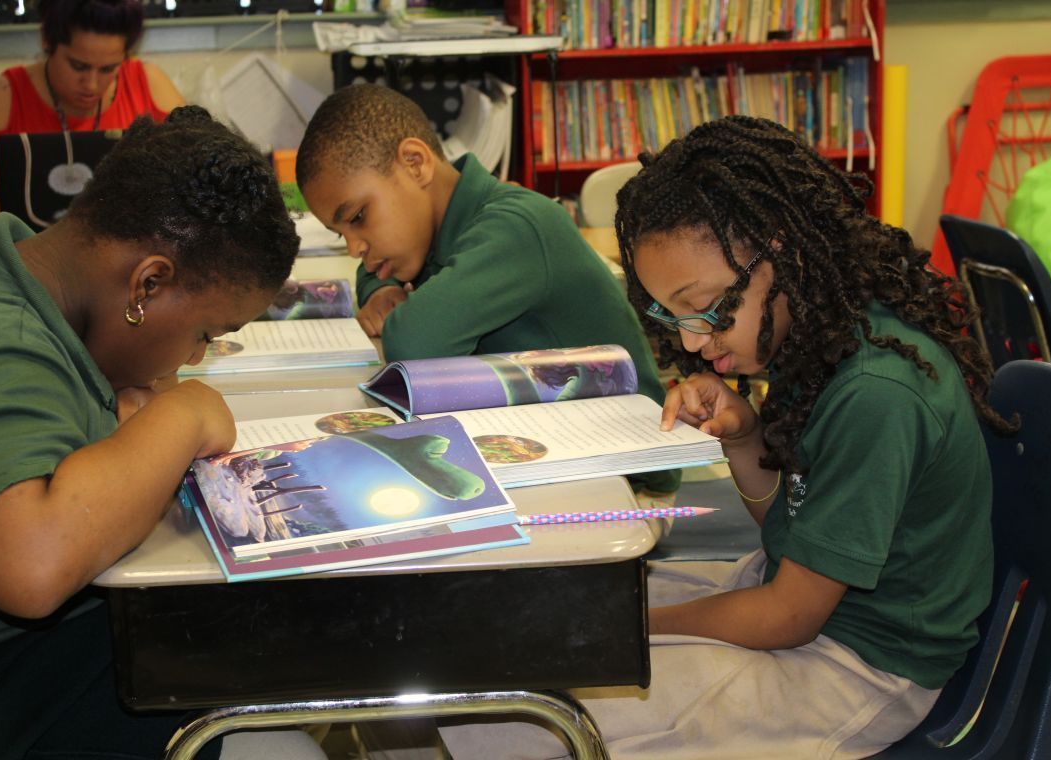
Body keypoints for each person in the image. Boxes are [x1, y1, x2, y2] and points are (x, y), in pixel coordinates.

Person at [405, 115, 1017, 759]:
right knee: (526, 626)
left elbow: (788, 617)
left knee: (522, 713)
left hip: (859, 669)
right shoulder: (812, 334)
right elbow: (784, 525)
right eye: (673, 314)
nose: (693, 340)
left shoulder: (876, 393)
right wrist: (744, 434)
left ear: (783, 253)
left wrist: (632, 629)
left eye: (704, 307)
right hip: (794, 600)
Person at [0, 106, 322, 759]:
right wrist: (181, 415)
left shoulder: (34, 298)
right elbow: (30, 564)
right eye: (204, 335)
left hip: (25, 658)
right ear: (147, 283)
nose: (192, 359)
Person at [295, 82, 678, 495]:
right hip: (543, 449)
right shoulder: (433, 230)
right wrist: (377, 287)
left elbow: (414, 345)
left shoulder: (517, 225)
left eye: (358, 217)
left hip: (624, 479)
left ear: (414, 163)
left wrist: (399, 302)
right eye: (341, 235)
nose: (355, 248)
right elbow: (374, 273)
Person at [0, 0, 185, 221]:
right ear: (47, 41)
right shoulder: (1, 97)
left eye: (108, 69)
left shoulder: (149, 85)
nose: (92, 84)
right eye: (78, 66)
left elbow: (196, 180)